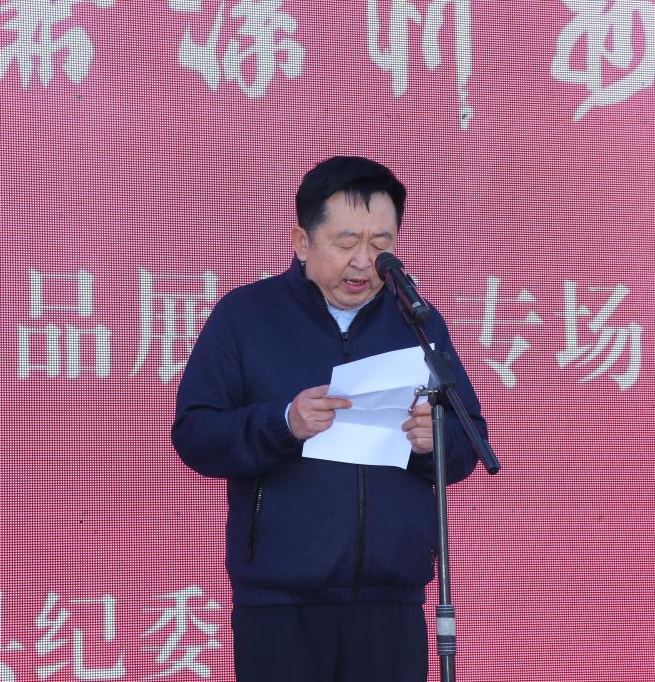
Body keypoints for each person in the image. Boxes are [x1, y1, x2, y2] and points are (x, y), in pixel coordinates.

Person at [171, 155, 492, 682]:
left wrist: (433, 441)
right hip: (280, 603)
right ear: (302, 242)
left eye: (381, 244)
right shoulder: (245, 316)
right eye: (346, 243)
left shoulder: (417, 322)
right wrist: (283, 423)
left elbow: (469, 440)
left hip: (392, 599)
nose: (364, 262)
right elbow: (196, 433)